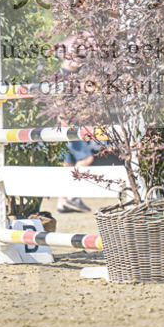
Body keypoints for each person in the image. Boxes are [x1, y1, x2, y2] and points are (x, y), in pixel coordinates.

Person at [55, 44, 94, 214]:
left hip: (66, 123)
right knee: (86, 159)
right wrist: (64, 122)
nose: (79, 60)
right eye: (75, 56)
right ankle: (73, 195)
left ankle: (61, 202)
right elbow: (59, 101)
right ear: (65, 57)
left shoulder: (68, 75)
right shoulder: (64, 77)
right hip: (68, 125)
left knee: (68, 164)